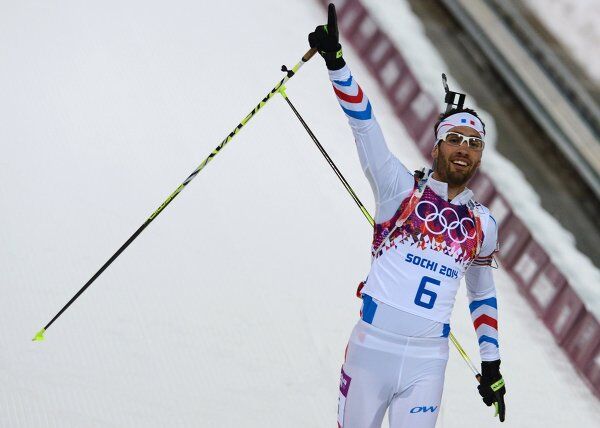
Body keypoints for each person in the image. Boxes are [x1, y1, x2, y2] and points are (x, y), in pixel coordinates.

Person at [309, 5, 506, 428]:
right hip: (372, 348)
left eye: (473, 143)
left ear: (480, 156)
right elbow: (366, 126)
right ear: (436, 146)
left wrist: (491, 364)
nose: (463, 148)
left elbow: (482, 292)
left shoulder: (482, 224)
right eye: (454, 139)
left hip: (427, 361)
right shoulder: (399, 189)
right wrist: (337, 65)